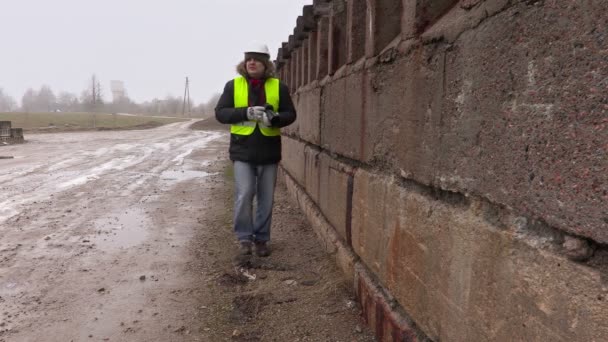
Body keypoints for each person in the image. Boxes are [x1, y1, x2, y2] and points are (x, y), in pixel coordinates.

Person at [215, 42, 296, 257]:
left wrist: (275, 119)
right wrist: (246, 113)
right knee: (245, 193)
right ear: (244, 62)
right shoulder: (233, 86)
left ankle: (261, 239)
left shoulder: (279, 87)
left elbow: (291, 114)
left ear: (265, 64)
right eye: (249, 58)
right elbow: (221, 113)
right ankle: (244, 238)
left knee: (266, 197)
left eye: (257, 59)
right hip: (242, 150)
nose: (252, 62)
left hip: (269, 150)